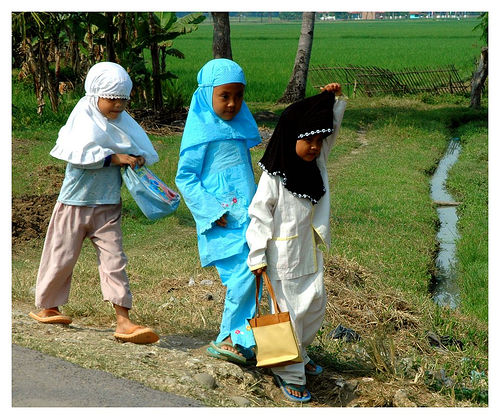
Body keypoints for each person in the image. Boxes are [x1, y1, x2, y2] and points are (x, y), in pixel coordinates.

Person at [29, 62, 160, 345]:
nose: (118, 105)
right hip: (74, 205)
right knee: (61, 256)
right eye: (111, 98)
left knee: (115, 261)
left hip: (107, 206)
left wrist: (136, 157)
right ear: (95, 95)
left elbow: (138, 147)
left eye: (123, 99)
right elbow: (80, 155)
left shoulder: (123, 124)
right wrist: (115, 158)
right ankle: (48, 306)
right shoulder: (83, 120)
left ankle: (123, 320)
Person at [246, 83, 346, 402]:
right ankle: (289, 372)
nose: (316, 147)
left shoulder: (316, 165)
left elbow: (330, 133)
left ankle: (298, 354)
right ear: (291, 137)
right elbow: (259, 215)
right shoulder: (274, 176)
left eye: (319, 140)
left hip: (308, 255)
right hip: (282, 259)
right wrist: (257, 255)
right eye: (309, 140)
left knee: (314, 307)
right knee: (289, 315)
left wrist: (332, 100)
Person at [175, 58, 261, 365]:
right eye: (224, 96)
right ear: (206, 94)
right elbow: (185, 177)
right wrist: (211, 210)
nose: (233, 104)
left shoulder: (237, 128)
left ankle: (245, 340)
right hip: (222, 221)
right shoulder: (200, 133)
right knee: (243, 273)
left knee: (254, 273)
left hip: (248, 218)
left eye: (239, 96)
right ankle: (227, 338)